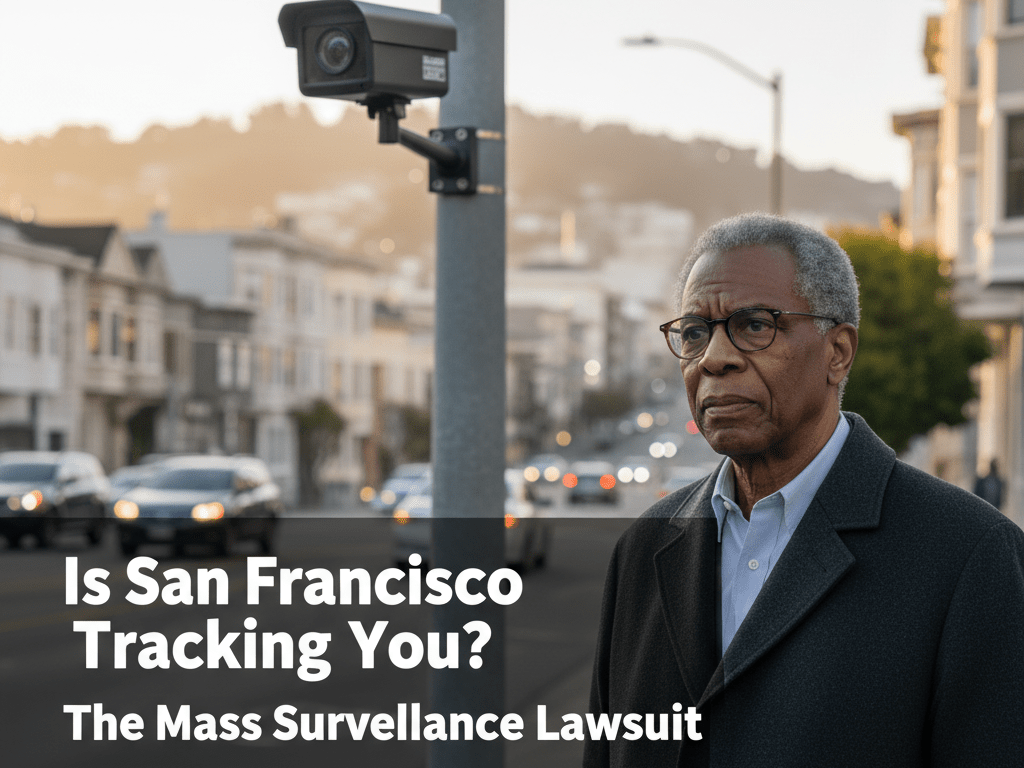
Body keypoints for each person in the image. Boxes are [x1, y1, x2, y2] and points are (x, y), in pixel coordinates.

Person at [584, 214, 1024, 768]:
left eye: (754, 325)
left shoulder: (970, 556)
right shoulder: (643, 550)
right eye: (694, 333)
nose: (714, 358)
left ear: (837, 352)